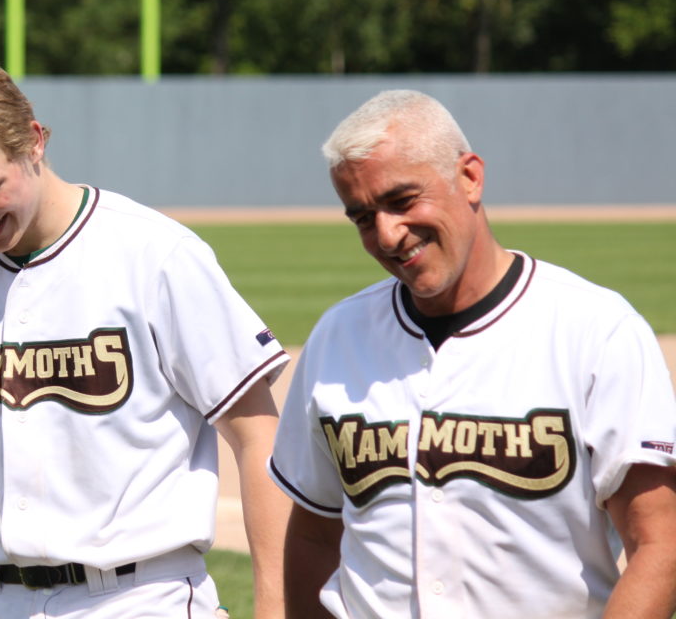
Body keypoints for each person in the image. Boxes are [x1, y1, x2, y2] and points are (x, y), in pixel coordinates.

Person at [0, 56, 289, 618]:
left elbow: (258, 435)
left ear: (34, 141)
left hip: (140, 596)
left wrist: (276, 608)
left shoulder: (154, 255)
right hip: (4, 600)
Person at [269, 89, 676, 618]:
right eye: (363, 218)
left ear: (470, 177)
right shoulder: (338, 337)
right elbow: (315, 537)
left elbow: (659, 543)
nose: (388, 235)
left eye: (401, 200)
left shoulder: (594, 331)